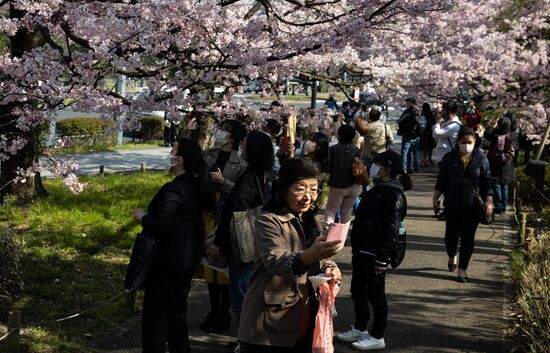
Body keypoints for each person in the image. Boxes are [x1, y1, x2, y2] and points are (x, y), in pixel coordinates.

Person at [238, 158, 342, 353]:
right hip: (269, 321)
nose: (308, 197)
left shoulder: (311, 220)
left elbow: (322, 255)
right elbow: (275, 261)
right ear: (283, 188)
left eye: (313, 189)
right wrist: (308, 256)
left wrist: (330, 266)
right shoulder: (268, 221)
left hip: (305, 313)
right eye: (300, 189)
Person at [134, 137, 216, 353]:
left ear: (178, 160)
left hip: (167, 263)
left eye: (171, 152)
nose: (168, 156)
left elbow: (161, 225)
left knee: (156, 319)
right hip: (186, 261)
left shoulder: (175, 189)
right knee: (176, 316)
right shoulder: (195, 185)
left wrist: (142, 217)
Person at [336, 150, 411, 350]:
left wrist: (383, 258)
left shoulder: (394, 193)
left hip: (375, 252)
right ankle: (360, 327)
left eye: (377, 163)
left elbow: (392, 229)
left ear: (386, 168)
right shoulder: (379, 188)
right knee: (357, 290)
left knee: (376, 295)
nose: (373, 166)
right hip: (362, 249)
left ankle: (377, 335)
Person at [210, 131, 274, 327]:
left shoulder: (249, 176)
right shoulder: (264, 174)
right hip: (257, 238)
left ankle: (246, 337)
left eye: (246, 145)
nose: (243, 148)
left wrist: (218, 241)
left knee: (240, 289)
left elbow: (235, 211)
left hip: (242, 241)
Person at [202, 119, 248, 332]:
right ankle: (213, 311)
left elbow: (241, 194)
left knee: (223, 268)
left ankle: (223, 313)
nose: (220, 132)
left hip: (225, 215)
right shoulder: (209, 154)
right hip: (207, 213)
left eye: (225, 130)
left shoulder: (240, 163)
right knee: (209, 268)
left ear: (233, 137)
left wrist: (223, 182)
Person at [433, 127, 494, 283]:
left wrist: (489, 200)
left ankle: (462, 269)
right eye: (463, 142)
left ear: (474, 142)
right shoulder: (449, 158)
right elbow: (442, 179)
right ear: (457, 142)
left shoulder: (481, 158)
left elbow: (487, 180)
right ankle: (452, 255)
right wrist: (436, 196)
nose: (466, 145)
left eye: (470, 142)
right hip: (453, 204)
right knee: (451, 237)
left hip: (472, 205)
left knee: (468, 238)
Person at [325, 125, 362, 225]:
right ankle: (344, 237)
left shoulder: (333, 149)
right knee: (346, 212)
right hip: (354, 185)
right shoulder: (356, 150)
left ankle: (329, 235)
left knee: (331, 210)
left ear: (339, 135)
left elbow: (329, 168)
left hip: (337, 184)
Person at [487, 118, 515, 214]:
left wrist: (492, 126)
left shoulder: (495, 135)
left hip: (496, 163)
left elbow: (487, 134)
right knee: (504, 185)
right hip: (506, 163)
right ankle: (504, 206)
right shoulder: (510, 136)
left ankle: (498, 206)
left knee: (497, 185)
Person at [396, 97, 420, 173]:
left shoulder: (408, 111)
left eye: (407, 103)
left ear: (410, 103)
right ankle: (415, 167)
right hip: (417, 134)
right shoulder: (418, 111)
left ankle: (404, 168)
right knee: (415, 152)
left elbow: (400, 121)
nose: (406, 104)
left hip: (407, 134)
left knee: (405, 152)